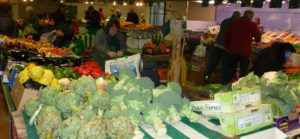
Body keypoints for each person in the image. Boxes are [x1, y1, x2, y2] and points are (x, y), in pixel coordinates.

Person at [204, 11, 241, 84]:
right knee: (225, 64)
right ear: (238, 17)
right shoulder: (236, 23)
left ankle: (206, 76)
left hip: (217, 44)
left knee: (212, 62)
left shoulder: (225, 21)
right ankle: (224, 80)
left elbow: (221, 31)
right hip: (225, 47)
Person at [224, 10, 261, 79]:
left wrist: (227, 47)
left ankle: (228, 83)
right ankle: (240, 86)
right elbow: (258, 38)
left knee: (231, 69)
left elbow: (227, 36)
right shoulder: (252, 24)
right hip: (244, 51)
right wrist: (255, 40)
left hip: (233, 50)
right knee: (243, 71)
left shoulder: (234, 23)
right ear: (251, 17)